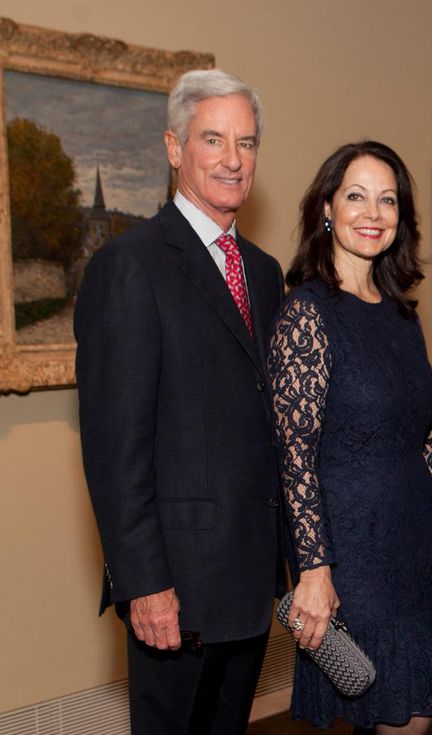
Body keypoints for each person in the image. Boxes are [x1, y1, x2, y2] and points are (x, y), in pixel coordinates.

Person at [75, 69, 284, 734]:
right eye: (213, 139)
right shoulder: (129, 267)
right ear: (174, 148)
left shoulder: (263, 271)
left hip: (250, 579)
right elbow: (117, 449)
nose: (232, 159)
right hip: (176, 587)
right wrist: (143, 582)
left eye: (246, 144)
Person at [267, 141, 432, 734]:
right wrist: (314, 571)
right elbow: (293, 456)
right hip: (352, 561)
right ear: (327, 206)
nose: (372, 212)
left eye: (387, 199)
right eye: (356, 196)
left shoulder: (403, 316)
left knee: (417, 714)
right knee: (389, 712)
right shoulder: (307, 313)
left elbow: (425, 437)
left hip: (415, 552)